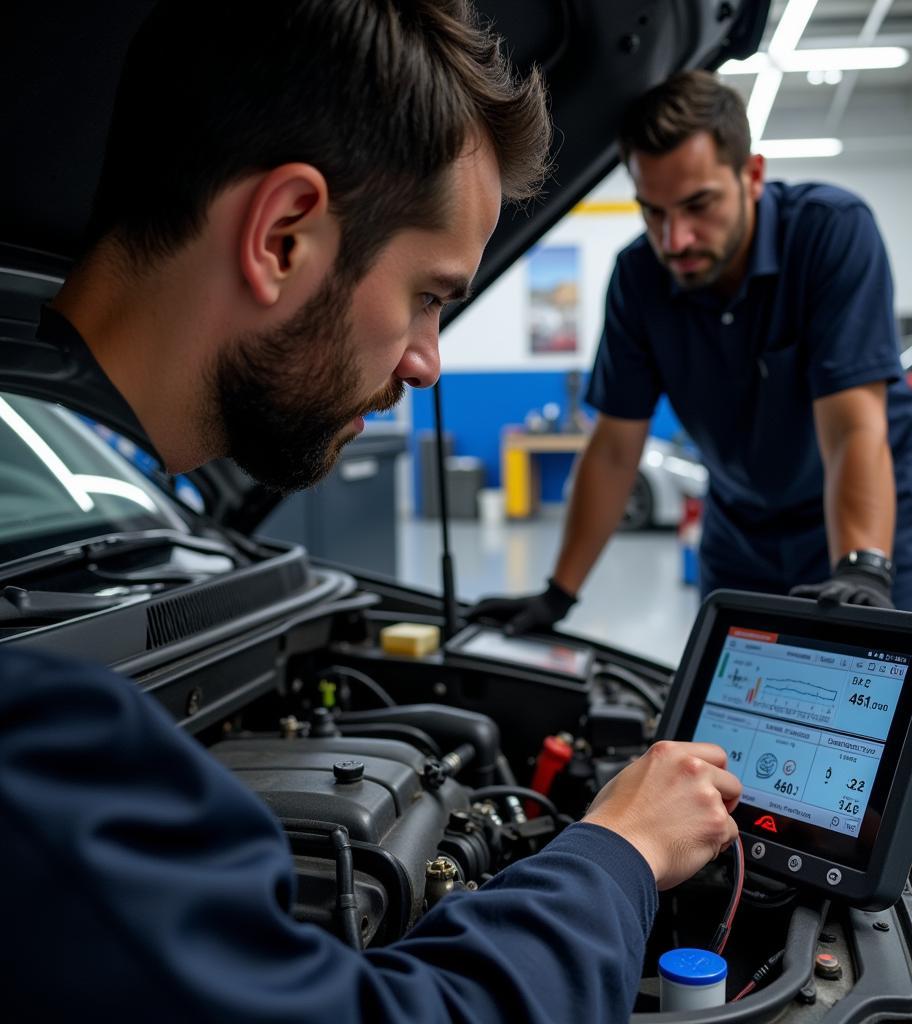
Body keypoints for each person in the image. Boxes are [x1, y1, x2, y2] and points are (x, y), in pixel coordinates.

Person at [1, 3, 743, 1021]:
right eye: (431, 296)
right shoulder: (38, 721)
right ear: (283, 235)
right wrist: (616, 852)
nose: (428, 362)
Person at [469, 70, 912, 877]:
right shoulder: (638, 280)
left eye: (698, 206)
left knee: (891, 781)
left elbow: (853, 425)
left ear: (750, 175)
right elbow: (614, 446)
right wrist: (559, 591)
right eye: (653, 211)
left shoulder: (830, 234)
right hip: (742, 533)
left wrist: (862, 569)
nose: (675, 237)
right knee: (722, 758)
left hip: (868, 529)